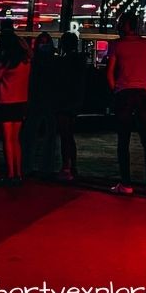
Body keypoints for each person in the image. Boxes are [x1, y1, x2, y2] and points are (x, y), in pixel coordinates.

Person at [106, 12, 146, 195]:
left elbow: (110, 73)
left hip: (124, 93)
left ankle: (126, 183)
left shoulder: (117, 45)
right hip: (143, 93)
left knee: (123, 140)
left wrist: (116, 90)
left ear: (126, 25)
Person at [0, 30, 31, 186]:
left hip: (6, 101)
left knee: (7, 139)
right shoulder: (26, 61)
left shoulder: (6, 62)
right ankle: (18, 173)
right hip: (21, 102)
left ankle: (10, 173)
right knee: (16, 140)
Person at [21, 32, 58, 177]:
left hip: (36, 98)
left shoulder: (34, 60)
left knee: (31, 134)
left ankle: (27, 165)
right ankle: (46, 166)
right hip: (47, 98)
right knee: (49, 134)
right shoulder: (51, 61)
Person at [54, 32, 86, 181]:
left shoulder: (63, 62)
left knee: (65, 135)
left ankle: (66, 166)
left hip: (63, 101)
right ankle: (72, 166)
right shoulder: (80, 61)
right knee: (69, 135)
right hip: (75, 101)